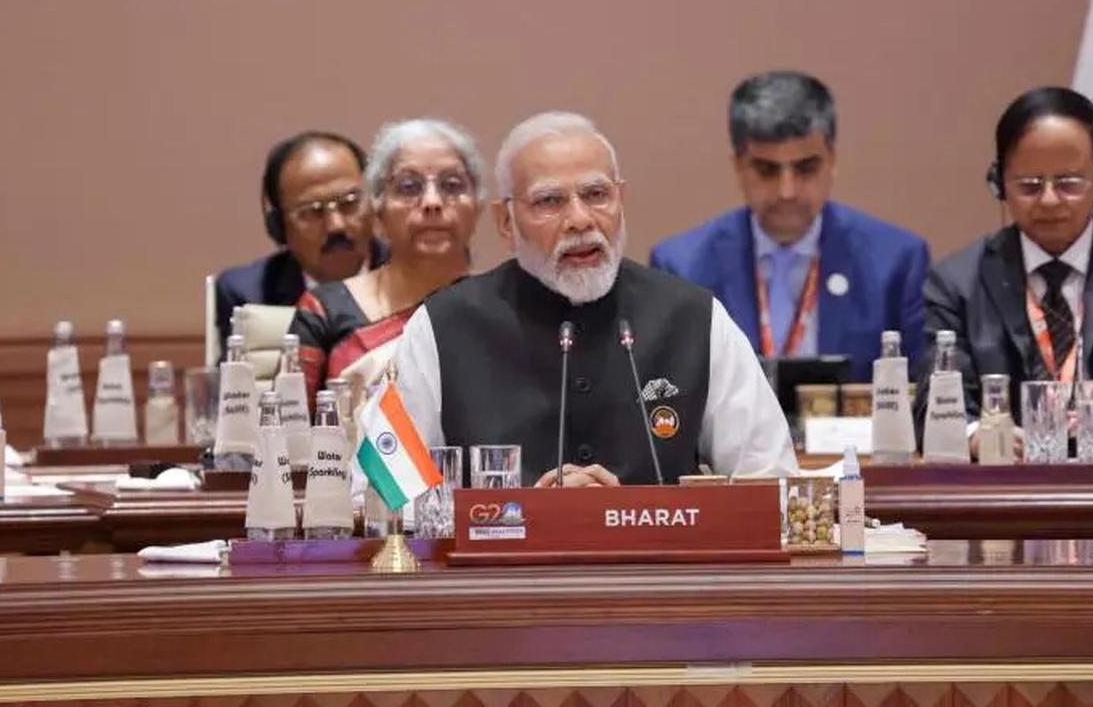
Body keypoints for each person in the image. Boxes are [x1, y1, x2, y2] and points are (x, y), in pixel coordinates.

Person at [389, 111, 797, 487]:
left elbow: (771, 482)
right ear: (505, 222)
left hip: (657, 565)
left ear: (622, 199)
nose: (581, 220)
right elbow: (382, 489)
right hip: (500, 566)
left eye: (597, 194)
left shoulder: (694, 318)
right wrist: (521, 517)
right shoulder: (442, 328)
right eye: (549, 201)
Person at [921, 86, 1093, 437]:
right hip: (1004, 478)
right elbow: (937, 403)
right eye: (1029, 185)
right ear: (998, 185)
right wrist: (978, 435)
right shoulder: (956, 282)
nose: (1050, 200)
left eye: (1069, 183)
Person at [650, 71, 929, 380]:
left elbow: (917, 395)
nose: (787, 191)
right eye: (766, 170)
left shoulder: (896, 262)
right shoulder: (682, 268)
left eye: (806, 168)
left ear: (832, 161)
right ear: (738, 167)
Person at [289, 119, 482, 404]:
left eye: (452, 185)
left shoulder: (501, 312)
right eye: (409, 187)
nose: (432, 202)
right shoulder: (324, 311)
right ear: (377, 213)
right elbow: (284, 435)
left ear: (477, 207)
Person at [214, 131, 388, 356]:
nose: (336, 225)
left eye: (350, 203)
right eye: (312, 211)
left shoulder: (413, 278)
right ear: (279, 226)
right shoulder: (249, 298)